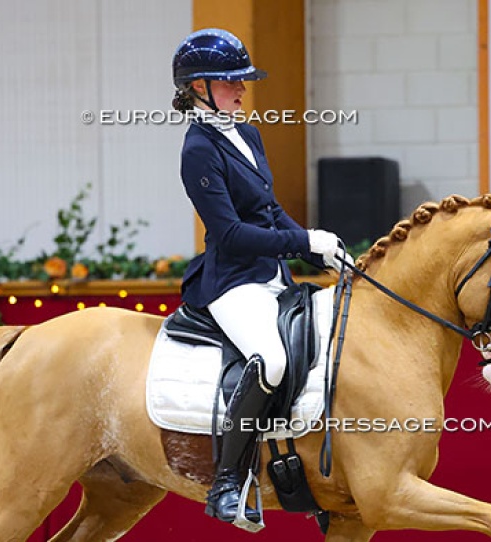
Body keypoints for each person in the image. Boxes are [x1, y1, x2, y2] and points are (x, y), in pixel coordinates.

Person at [171, 28, 351, 526]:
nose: (242, 90)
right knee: (270, 359)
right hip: (233, 280)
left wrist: (318, 250)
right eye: (232, 82)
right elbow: (229, 233)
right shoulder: (197, 151)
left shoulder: (247, 133)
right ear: (201, 86)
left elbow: (269, 212)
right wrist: (301, 242)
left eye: (242, 81)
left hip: (275, 277)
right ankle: (227, 482)